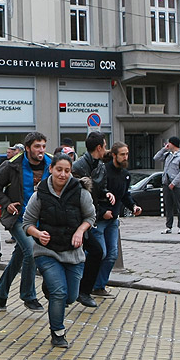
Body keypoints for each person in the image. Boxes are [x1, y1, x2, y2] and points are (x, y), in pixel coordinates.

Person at [22, 154, 95, 348]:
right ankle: (58, 333)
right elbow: (27, 223)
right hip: (47, 252)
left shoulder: (80, 192)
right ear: (51, 169)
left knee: (70, 296)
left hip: (73, 253)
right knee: (59, 292)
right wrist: (37, 234)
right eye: (59, 169)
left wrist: (80, 231)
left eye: (67, 170)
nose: (63, 174)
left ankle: (50, 288)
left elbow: (90, 217)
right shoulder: (40, 194)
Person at [0, 132, 48, 312]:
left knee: (20, 256)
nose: (41, 150)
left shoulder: (51, 163)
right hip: (18, 217)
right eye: (37, 147)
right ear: (28, 148)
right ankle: (28, 296)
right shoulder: (12, 165)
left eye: (43, 146)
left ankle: (1, 291)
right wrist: (7, 204)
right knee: (31, 251)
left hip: (40, 219)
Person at [91, 142, 141, 298]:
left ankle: (99, 286)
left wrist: (133, 206)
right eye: (122, 154)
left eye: (127, 154)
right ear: (114, 155)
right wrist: (102, 212)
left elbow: (124, 195)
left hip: (113, 220)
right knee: (100, 253)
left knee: (112, 254)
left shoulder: (125, 174)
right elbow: (93, 196)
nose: (125, 157)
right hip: (99, 219)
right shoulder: (103, 171)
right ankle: (86, 282)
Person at [70, 131, 111, 308]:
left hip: (89, 216)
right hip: (75, 218)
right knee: (71, 254)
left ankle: (83, 291)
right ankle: (65, 290)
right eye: (105, 145)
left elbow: (99, 188)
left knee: (96, 251)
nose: (106, 149)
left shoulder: (101, 165)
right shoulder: (78, 167)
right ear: (99, 147)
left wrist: (106, 193)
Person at [154, 136, 180, 234]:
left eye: (169, 143)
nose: (167, 145)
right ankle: (168, 226)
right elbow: (156, 158)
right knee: (168, 205)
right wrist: (163, 149)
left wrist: (174, 183)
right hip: (166, 183)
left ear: (173, 144)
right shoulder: (167, 155)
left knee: (179, 205)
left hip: (177, 185)